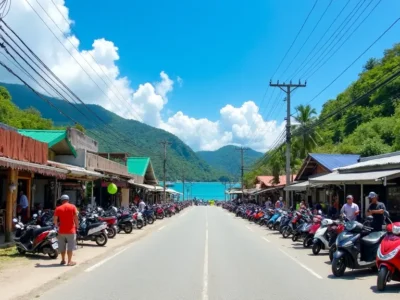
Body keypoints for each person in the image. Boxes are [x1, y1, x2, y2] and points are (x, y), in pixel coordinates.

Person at [53, 195, 79, 266]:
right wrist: (77, 226)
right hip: (71, 230)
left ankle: (63, 260)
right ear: (68, 200)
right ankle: (69, 261)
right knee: (70, 246)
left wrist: (56, 226)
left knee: (62, 246)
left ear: (61, 201)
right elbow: (76, 218)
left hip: (61, 231)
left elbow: (55, 220)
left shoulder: (58, 208)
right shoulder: (73, 207)